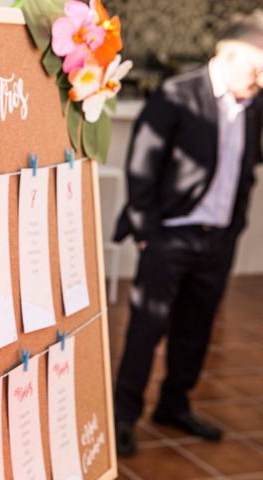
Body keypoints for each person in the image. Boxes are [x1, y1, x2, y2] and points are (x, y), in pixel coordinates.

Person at [112, 10, 263, 456]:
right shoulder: (176, 95)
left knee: (196, 329)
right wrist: (148, 234)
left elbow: (246, 172)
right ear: (230, 55)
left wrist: (234, 229)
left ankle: (174, 404)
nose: (261, 79)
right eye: (257, 68)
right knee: (146, 328)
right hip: (168, 237)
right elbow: (141, 170)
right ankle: (124, 415)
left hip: (218, 239)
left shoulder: (254, 108)